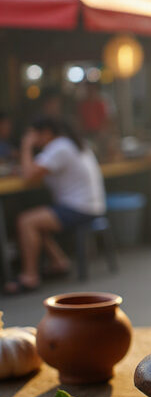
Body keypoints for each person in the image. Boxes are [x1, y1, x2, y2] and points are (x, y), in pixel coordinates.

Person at [4, 116, 106, 294]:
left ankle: (29, 277)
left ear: (46, 133)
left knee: (26, 221)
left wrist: (26, 145)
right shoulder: (69, 143)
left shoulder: (59, 147)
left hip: (80, 208)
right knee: (35, 220)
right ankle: (59, 263)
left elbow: (28, 175)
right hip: (90, 206)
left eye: (33, 134)